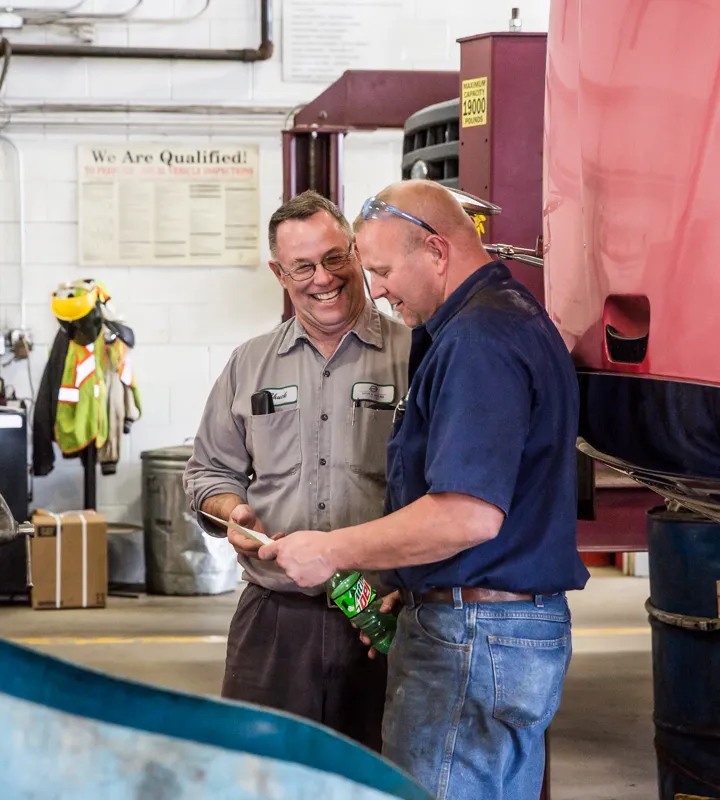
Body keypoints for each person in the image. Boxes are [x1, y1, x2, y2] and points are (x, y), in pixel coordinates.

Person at [259, 180, 590, 799]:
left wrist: (333, 551)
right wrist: (415, 586)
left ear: (436, 251)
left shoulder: (480, 342)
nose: (376, 290)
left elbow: (467, 515)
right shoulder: (497, 320)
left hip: (474, 641)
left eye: (382, 270)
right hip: (481, 623)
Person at [183, 189, 410, 751]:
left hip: (381, 616)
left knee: (380, 778)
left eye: (335, 259)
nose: (322, 279)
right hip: (274, 619)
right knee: (264, 776)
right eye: (302, 266)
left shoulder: (416, 355)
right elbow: (207, 472)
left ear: (357, 253)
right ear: (278, 273)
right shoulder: (249, 364)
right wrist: (230, 511)